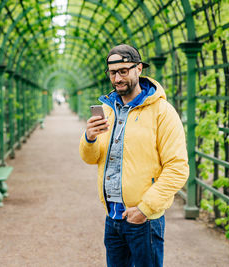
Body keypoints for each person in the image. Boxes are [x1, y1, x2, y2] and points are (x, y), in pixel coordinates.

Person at [79, 44, 189, 267]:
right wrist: (89, 138)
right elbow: (91, 158)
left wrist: (144, 209)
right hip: (113, 217)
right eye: (112, 72)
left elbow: (177, 168)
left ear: (139, 68)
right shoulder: (108, 109)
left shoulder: (162, 112)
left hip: (144, 219)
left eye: (123, 71)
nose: (117, 78)